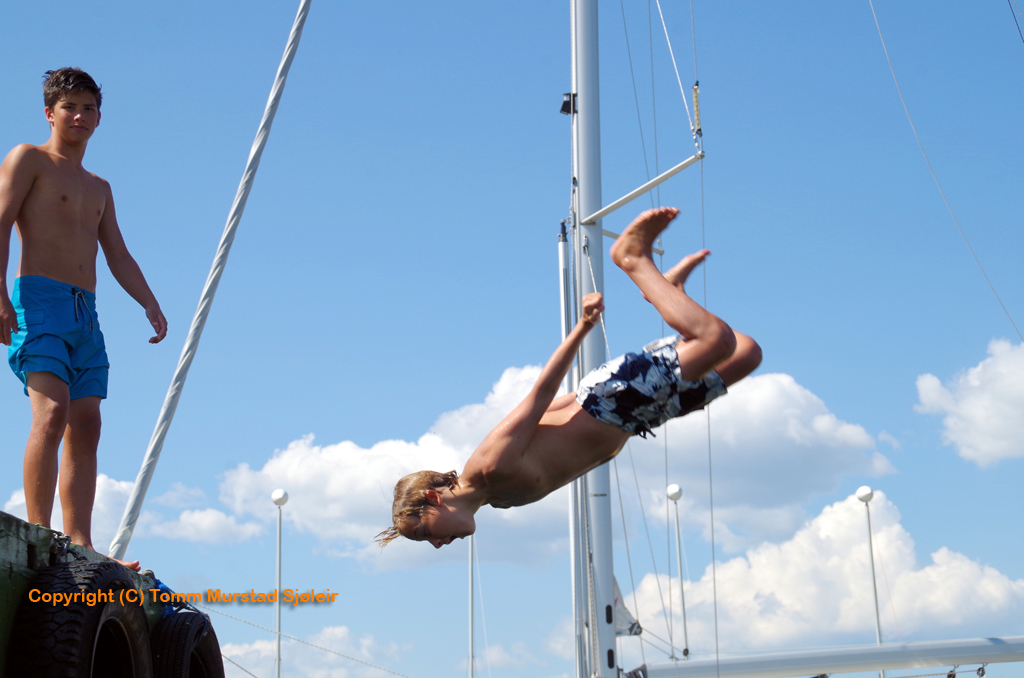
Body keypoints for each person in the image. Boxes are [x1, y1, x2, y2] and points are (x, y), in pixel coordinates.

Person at [376, 206, 762, 549]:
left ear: (433, 499)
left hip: (611, 400)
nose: (438, 545)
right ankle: (668, 292)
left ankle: (632, 259)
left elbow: (540, 396)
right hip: (638, 419)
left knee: (716, 341)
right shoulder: (503, 500)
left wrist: (583, 327)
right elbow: (551, 419)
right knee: (745, 353)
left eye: (425, 533)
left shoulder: (490, 465)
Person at [0, 69, 168, 571]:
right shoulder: (29, 158)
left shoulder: (100, 187)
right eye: (69, 106)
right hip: (39, 301)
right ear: (49, 113)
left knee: (88, 424)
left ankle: (79, 539)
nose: (80, 115)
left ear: (99, 118)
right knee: (51, 412)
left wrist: (149, 302)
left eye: (89, 108)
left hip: (85, 313)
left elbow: (117, 254)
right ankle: (39, 531)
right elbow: (1, 224)